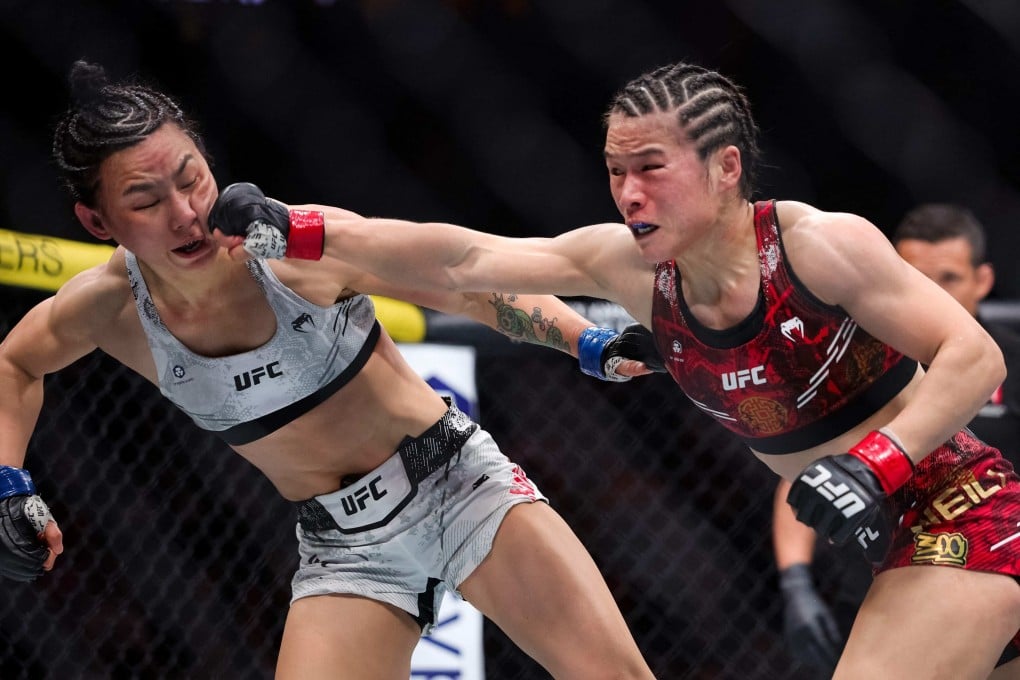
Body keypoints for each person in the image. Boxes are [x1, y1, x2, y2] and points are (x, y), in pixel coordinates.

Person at [214, 61, 1020, 678]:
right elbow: (464, 259)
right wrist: (303, 228)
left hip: (968, 513)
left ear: (726, 167)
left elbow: (974, 356)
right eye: (615, 170)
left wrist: (875, 462)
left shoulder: (817, 246)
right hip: (896, 540)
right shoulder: (632, 270)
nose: (629, 193)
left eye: (651, 168)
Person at [0, 60, 663, 680]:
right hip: (344, 547)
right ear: (96, 220)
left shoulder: (291, 247)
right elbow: (14, 363)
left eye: (191, 178)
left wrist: (588, 343)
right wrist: (8, 483)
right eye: (145, 201)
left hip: (459, 489)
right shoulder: (108, 309)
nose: (185, 214)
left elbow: (460, 282)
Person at [771, 202, 1020, 674]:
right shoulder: (861, 359)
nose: (933, 291)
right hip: (877, 577)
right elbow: (806, 472)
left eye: (948, 278)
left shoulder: (1008, 359)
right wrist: (795, 582)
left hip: (988, 553)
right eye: (917, 275)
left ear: (983, 280)